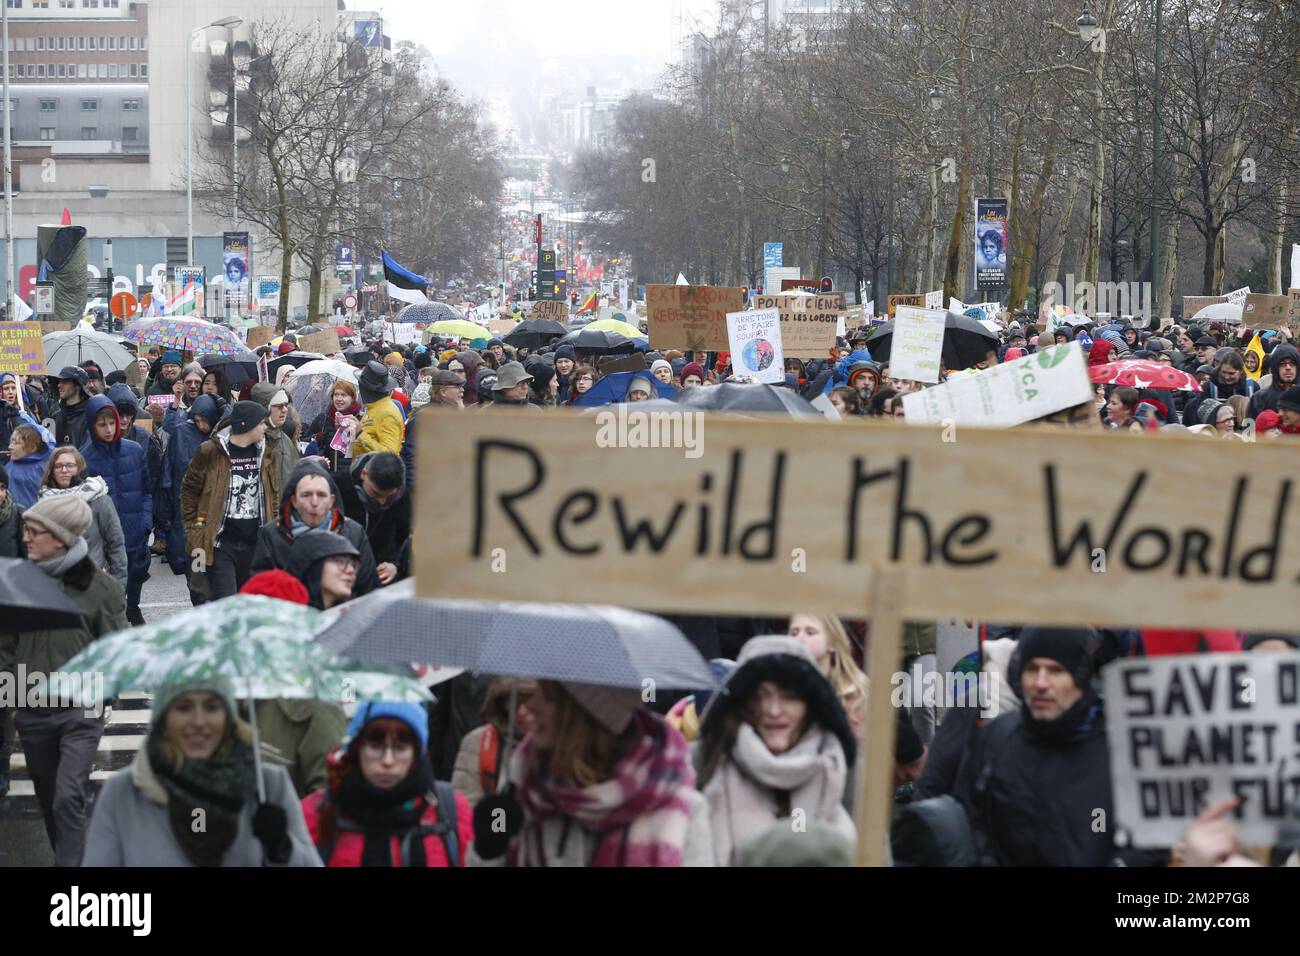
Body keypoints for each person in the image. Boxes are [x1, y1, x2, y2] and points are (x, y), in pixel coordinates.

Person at [0, 496, 126, 865]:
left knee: (68, 794)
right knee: (51, 798)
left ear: (60, 538)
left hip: (80, 713)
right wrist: (10, 698)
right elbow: (5, 647)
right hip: (33, 712)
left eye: (34, 532)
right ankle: (70, 856)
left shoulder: (100, 588)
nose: (25, 538)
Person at [82, 677, 321, 867]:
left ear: (228, 717)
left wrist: (282, 848)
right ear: (164, 718)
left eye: (211, 707)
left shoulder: (268, 785)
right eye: (184, 707)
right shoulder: (123, 794)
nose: (198, 721)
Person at [470, 680, 711, 867]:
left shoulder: (680, 810)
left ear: (587, 712)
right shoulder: (523, 785)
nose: (531, 705)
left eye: (550, 694)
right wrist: (489, 845)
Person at [957, 626, 1115, 866]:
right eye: (1032, 669)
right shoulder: (996, 740)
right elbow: (970, 822)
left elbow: (1143, 845)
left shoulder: (1114, 751)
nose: (1041, 683)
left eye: (1055, 671)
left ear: (1080, 676)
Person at [694, 636, 856, 866]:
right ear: (742, 702)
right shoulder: (702, 761)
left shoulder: (840, 768)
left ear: (811, 705)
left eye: (789, 696)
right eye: (761, 696)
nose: (774, 710)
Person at [303, 701, 474, 867]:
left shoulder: (452, 812)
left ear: (416, 753)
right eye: (375, 746)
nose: (387, 761)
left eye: (400, 747)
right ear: (357, 749)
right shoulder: (315, 813)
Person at [181, 400, 280, 601]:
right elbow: (189, 490)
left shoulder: (266, 451)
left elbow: (273, 492)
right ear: (247, 425)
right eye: (261, 423)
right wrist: (196, 527)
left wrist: (274, 527)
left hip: (256, 543)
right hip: (221, 544)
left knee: (250, 605)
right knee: (226, 603)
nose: (265, 427)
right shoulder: (210, 451)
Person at [250, 461, 380, 596]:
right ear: (294, 501)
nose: (314, 502)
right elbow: (260, 591)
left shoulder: (353, 533)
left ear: (331, 500)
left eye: (321, 495)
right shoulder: (271, 534)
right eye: (306, 495)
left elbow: (369, 590)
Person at [79, 395, 153, 626]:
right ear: (92, 425)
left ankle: (133, 606)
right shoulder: (84, 458)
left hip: (134, 527)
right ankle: (117, 616)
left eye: (112, 423)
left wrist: (146, 520)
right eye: (102, 425)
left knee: (137, 571)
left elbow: (147, 490)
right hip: (105, 533)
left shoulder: (134, 450)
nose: (109, 429)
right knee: (111, 580)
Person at [159, 394, 223, 605]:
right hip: (190, 520)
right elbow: (167, 475)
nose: (201, 425)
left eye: (205, 420)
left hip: (218, 520)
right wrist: (165, 519)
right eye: (197, 420)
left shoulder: (221, 436)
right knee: (196, 578)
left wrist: (221, 403)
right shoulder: (182, 434)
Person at [38, 445, 127, 591]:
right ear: (52, 471)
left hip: (92, 584)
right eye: (58, 466)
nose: (64, 470)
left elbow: (115, 544)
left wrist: (119, 587)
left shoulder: (99, 500)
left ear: (79, 468)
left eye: (69, 465)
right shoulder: (42, 501)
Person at [451, 678, 538, 805]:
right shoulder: (479, 741)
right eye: (512, 703)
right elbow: (465, 806)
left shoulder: (562, 745)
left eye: (529, 701)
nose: (521, 712)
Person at [786, 614, 870, 737]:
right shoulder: (779, 689)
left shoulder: (857, 693)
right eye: (794, 633)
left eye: (810, 632)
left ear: (832, 644)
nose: (799, 639)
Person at [335, 452, 409, 584]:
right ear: (364, 474)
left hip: (381, 575)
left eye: (389, 496)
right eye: (375, 493)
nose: (382, 502)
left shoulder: (402, 497)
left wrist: (395, 565)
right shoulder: (340, 486)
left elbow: (406, 538)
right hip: (342, 572)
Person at [286, 529, 360, 611]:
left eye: (353, 564)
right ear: (313, 565)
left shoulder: (352, 617)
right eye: (340, 562)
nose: (351, 570)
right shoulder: (283, 617)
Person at [250, 383, 301, 493]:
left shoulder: (286, 441)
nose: (284, 409)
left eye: (285, 405)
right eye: (279, 405)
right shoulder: (250, 440)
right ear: (265, 407)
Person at [306, 380, 362, 474]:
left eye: (344, 395)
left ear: (352, 398)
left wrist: (358, 434)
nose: (339, 399)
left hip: (351, 477)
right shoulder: (323, 418)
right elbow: (305, 440)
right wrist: (316, 438)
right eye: (336, 395)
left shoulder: (359, 420)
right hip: (328, 477)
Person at [352, 361, 405, 457]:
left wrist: (360, 434)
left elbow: (390, 456)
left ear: (367, 388)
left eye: (361, 385)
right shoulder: (373, 408)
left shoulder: (387, 414)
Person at [7, 424, 55, 508]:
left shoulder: (45, 469)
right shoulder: (12, 464)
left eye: (16, 443)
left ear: (33, 447)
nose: (10, 447)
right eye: (11, 441)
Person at [1246, 343, 1299, 419]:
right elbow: (1249, 429)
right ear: (1275, 367)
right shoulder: (1260, 399)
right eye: (1282, 364)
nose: (1288, 367)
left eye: (1292, 363)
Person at [51, 366, 92, 450]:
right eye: (59, 381)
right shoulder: (55, 417)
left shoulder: (90, 417)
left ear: (78, 385)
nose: (59, 385)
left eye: (65, 382)